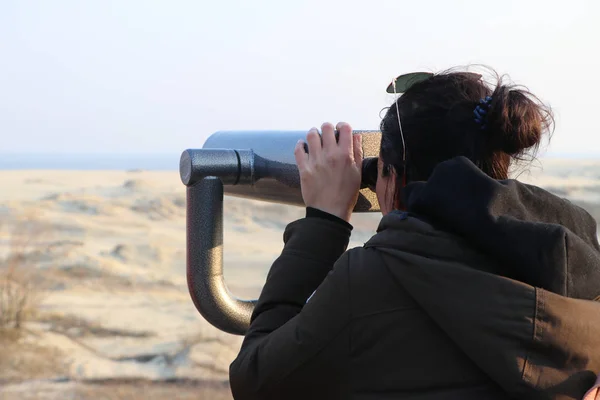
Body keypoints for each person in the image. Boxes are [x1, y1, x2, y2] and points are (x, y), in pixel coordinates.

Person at [228, 68, 600, 400]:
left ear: (396, 178)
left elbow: (255, 380)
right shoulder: (582, 268)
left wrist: (324, 221)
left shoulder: (370, 284)